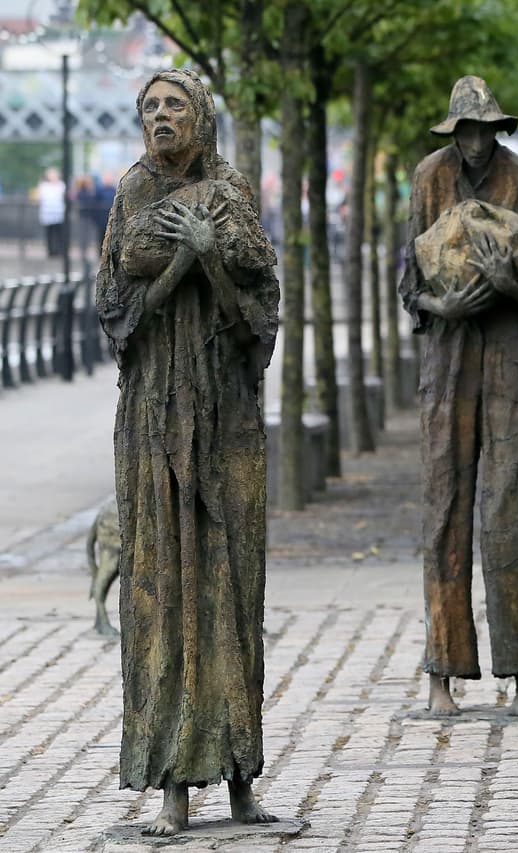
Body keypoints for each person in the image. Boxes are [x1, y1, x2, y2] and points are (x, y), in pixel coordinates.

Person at [95, 68, 280, 835]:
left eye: (175, 105)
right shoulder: (131, 195)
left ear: (201, 117)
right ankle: (173, 780)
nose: (161, 115)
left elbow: (260, 317)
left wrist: (212, 256)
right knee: (164, 588)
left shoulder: (232, 191)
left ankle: (239, 773)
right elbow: (117, 314)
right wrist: (182, 261)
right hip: (154, 419)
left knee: (233, 587)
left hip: (226, 414)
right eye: (151, 107)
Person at [397, 75, 518, 717]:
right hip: (447, 358)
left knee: (507, 512)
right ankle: (443, 668)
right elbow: (409, 285)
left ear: (496, 130)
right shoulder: (428, 177)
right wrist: (446, 303)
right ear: (453, 132)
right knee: (444, 511)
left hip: (508, 361)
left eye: (485, 131)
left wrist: (506, 285)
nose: (475, 143)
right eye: (466, 131)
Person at [36, 167, 66, 257]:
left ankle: (60, 251)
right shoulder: (43, 186)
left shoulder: (61, 185)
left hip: (58, 213)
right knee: (49, 234)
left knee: (59, 233)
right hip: (47, 213)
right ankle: (51, 252)